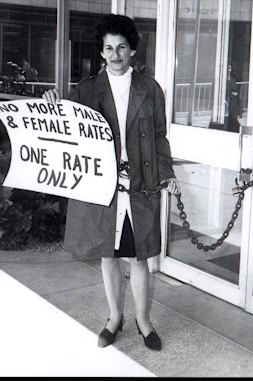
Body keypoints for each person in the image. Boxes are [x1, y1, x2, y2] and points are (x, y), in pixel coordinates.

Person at [43, 14, 180, 351]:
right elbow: (66, 131)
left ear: (132, 49)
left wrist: (167, 172)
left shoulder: (151, 90)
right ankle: (115, 318)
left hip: (139, 187)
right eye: (109, 48)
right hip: (104, 190)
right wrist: (52, 107)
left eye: (121, 47)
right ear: (101, 52)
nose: (115, 54)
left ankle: (144, 323)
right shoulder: (87, 90)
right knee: (108, 256)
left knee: (138, 258)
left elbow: (160, 137)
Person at [224, 63, 242, 133]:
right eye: (228, 68)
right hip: (226, 101)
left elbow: (236, 92)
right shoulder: (222, 79)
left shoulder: (233, 79)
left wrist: (239, 110)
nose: (228, 70)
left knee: (233, 119)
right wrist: (231, 93)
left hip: (232, 102)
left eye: (230, 68)